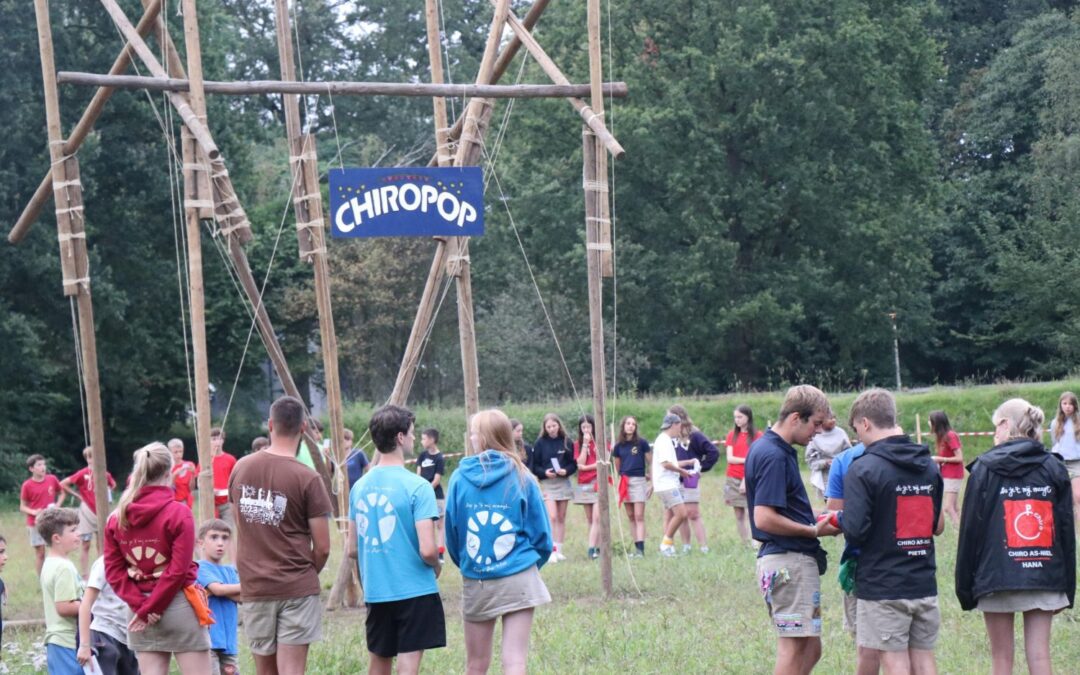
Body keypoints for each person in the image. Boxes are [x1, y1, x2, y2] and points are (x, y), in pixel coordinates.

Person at [956, 399, 1075, 675]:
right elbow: (1067, 533)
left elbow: (969, 533)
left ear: (1005, 424)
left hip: (996, 576)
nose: (993, 434)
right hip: (1044, 573)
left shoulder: (983, 469)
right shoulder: (1054, 467)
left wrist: (965, 587)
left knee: (1001, 659)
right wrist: (1066, 587)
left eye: (995, 427)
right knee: (1040, 657)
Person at [835, 388, 945, 675]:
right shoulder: (929, 465)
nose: (858, 438)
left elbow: (856, 531)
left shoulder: (863, 468)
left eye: (856, 429)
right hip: (923, 580)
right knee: (923, 659)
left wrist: (837, 520)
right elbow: (936, 525)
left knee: (894, 662)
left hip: (883, 585)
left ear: (865, 423)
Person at [228, 396, 333, 675]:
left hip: (255, 585)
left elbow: (240, 523)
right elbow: (323, 547)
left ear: (270, 425)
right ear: (303, 429)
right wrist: (305, 574)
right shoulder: (308, 478)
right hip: (296, 586)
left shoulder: (241, 467)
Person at [445, 409, 553, 675]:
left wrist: (471, 564)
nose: (471, 437)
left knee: (476, 664)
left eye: (473, 433)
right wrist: (526, 565)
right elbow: (542, 535)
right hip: (519, 577)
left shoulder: (458, 478)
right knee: (515, 661)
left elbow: (452, 533)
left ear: (483, 438)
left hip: (478, 578)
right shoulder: (523, 476)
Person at [348, 404, 444, 675]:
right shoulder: (419, 487)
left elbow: (352, 548)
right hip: (414, 589)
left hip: (377, 589)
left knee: (379, 660)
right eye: (411, 432)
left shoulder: (359, 487)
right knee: (408, 664)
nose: (414, 437)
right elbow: (428, 550)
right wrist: (437, 566)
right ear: (400, 437)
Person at [744, 384, 834, 675]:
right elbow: (764, 518)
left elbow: (785, 509)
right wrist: (813, 531)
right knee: (793, 647)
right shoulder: (774, 455)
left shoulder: (773, 449)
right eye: (815, 423)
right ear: (796, 418)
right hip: (788, 563)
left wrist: (826, 517)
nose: (818, 431)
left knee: (810, 647)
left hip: (790, 562)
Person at [104, 442, 212, 674]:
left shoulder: (116, 517)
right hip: (177, 604)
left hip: (138, 607)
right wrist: (151, 608)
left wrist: (141, 607)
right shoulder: (179, 512)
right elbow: (178, 570)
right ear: (169, 472)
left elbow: (113, 572)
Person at [824, 441, 879, 675]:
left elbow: (835, 515)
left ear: (861, 425)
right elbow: (937, 525)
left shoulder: (845, 460)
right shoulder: (915, 456)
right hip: (911, 566)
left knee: (865, 644)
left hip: (860, 561)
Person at [668, 405, 721, 554]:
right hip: (674, 479)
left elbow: (713, 452)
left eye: (670, 417)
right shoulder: (669, 437)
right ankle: (686, 546)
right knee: (681, 514)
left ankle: (703, 547)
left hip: (689, 479)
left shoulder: (695, 435)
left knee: (693, 513)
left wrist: (700, 468)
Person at [37, 507, 82, 675]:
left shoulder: (50, 562)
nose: (78, 534)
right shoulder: (64, 567)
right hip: (67, 641)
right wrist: (92, 603)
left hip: (56, 641)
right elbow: (63, 607)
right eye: (73, 530)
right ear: (56, 538)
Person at [59, 445, 117, 576]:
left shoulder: (104, 473)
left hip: (101, 511)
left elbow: (113, 484)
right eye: (90, 457)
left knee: (102, 544)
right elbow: (63, 483)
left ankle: (101, 573)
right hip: (87, 512)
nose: (93, 459)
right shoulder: (82, 473)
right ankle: (85, 575)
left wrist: (107, 491)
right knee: (85, 544)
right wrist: (77, 495)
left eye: (95, 456)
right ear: (87, 458)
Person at [77, 555, 138, 675]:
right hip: (105, 633)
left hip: (130, 638)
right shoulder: (104, 563)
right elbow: (86, 604)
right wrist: (84, 645)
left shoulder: (140, 562)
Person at [528, 413, 576, 562]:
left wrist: (566, 471)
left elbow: (573, 464)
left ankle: (559, 550)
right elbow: (535, 466)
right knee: (552, 517)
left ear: (559, 425)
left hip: (563, 483)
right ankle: (551, 551)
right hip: (548, 484)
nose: (551, 429)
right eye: (548, 427)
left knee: (561, 517)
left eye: (554, 426)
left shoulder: (567, 441)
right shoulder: (540, 443)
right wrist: (545, 473)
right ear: (545, 428)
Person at [197, 519, 241, 675]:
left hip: (229, 643)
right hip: (209, 641)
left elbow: (242, 598)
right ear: (201, 542)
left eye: (225, 538)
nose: (220, 543)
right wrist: (249, 585)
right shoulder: (199, 567)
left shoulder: (230, 571)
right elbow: (218, 589)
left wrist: (224, 590)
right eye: (214, 537)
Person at [653, 413, 692, 556]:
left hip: (668, 484)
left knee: (670, 516)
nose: (680, 430)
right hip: (667, 485)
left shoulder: (665, 440)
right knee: (681, 514)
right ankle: (665, 544)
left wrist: (687, 463)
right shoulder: (663, 441)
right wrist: (681, 471)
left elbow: (670, 462)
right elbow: (665, 464)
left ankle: (669, 547)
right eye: (679, 426)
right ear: (673, 425)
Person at [612, 415, 651, 557]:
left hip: (639, 481)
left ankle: (641, 549)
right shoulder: (618, 446)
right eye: (628, 423)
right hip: (625, 481)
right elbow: (617, 465)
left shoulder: (642, 443)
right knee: (631, 516)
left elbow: (650, 461)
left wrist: (651, 478)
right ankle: (636, 547)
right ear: (623, 426)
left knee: (639, 515)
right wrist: (620, 479)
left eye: (633, 424)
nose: (630, 426)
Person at [724, 405, 762, 546]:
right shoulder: (731, 435)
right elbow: (730, 458)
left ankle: (755, 541)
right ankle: (744, 542)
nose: (737, 420)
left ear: (748, 417)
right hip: (733, 476)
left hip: (751, 477)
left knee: (753, 511)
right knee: (739, 513)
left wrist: (746, 477)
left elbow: (757, 458)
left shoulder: (757, 436)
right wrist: (747, 459)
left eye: (740, 417)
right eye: (735, 417)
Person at [20, 453, 64, 575]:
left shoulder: (52, 479)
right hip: (35, 522)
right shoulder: (27, 485)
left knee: (56, 548)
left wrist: (57, 505)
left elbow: (62, 493)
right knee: (40, 553)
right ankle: (42, 579)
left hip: (51, 519)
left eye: (44, 464)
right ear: (31, 469)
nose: (43, 467)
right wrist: (34, 512)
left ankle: (55, 574)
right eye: (39, 465)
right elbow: (22, 506)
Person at [572, 414, 602, 560]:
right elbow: (580, 463)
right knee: (590, 519)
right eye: (583, 427)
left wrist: (586, 467)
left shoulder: (600, 442)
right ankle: (597, 547)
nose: (586, 430)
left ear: (593, 427)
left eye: (588, 427)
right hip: (583, 483)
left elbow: (602, 462)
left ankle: (591, 550)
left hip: (597, 481)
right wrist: (585, 444)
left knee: (597, 517)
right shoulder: (577, 444)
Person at [417, 427, 448, 563]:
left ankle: (440, 553)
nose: (421, 441)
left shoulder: (439, 458)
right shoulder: (422, 456)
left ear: (432, 440)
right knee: (426, 524)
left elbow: (436, 480)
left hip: (436, 495)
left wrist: (426, 490)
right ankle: (427, 550)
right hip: (423, 494)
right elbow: (418, 475)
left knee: (439, 525)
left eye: (424, 439)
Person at [805, 413, 851, 503]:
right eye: (830, 418)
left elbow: (849, 453)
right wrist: (825, 462)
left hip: (841, 471)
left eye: (834, 417)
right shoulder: (815, 434)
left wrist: (839, 461)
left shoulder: (841, 433)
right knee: (828, 500)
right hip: (823, 474)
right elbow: (810, 460)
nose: (833, 420)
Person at [929, 410, 964, 526]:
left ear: (936, 423)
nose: (929, 423)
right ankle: (961, 528)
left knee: (948, 507)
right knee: (955, 507)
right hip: (947, 474)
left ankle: (959, 530)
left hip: (953, 474)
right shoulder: (942, 437)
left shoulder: (950, 436)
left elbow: (959, 457)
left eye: (930, 421)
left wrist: (940, 459)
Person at [1049, 391, 1080, 520]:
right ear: (1060, 405)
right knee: (1063, 495)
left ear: (1075, 406)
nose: (1067, 406)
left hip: (1076, 462)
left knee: (1078, 495)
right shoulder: (1054, 423)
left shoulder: (1078, 422)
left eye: (1070, 404)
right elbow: (1055, 443)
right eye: (1065, 403)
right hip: (1060, 463)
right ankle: (1069, 521)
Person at [169, 438, 196, 508]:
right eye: (175, 452)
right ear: (170, 452)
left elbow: (191, 488)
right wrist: (174, 475)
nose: (179, 454)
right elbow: (167, 489)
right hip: (173, 503)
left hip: (186, 502)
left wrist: (193, 474)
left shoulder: (189, 465)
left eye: (181, 451)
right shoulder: (167, 468)